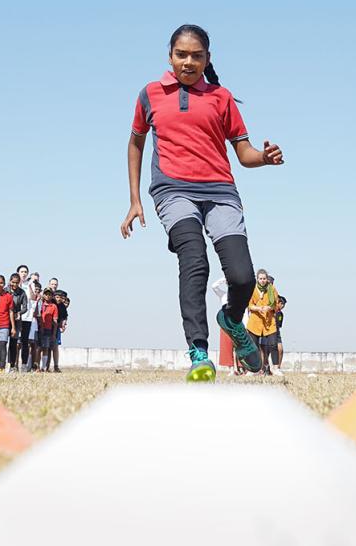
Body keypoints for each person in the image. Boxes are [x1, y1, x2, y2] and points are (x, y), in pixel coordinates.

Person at [120, 24, 285, 382]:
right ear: (170, 57)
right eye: (182, 54)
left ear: (208, 59)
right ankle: (198, 350)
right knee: (194, 261)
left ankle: (230, 318)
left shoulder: (220, 97)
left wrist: (264, 158)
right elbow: (136, 143)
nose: (189, 62)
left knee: (242, 276)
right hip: (173, 190)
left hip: (221, 191)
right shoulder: (150, 94)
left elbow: (243, 152)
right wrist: (135, 200)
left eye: (197, 55)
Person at [245, 269, 279, 376]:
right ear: (257, 279)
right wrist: (258, 308)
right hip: (255, 321)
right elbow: (249, 304)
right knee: (253, 347)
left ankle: (276, 368)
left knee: (273, 344)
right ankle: (252, 370)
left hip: (269, 322)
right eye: (260, 279)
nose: (263, 281)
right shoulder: (252, 289)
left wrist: (270, 307)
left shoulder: (271, 289)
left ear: (267, 279)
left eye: (264, 278)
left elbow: (276, 304)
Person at [12, 265, 34, 370]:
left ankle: (24, 364)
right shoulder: (13, 285)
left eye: (26, 272)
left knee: (25, 341)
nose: (24, 274)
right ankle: (12, 364)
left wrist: (29, 285)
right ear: (18, 273)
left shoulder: (30, 284)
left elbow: (33, 297)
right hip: (15, 318)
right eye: (22, 272)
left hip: (27, 317)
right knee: (14, 341)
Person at [7, 270, 27, 373]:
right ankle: (3, 365)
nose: (14, 284)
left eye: (16, 282)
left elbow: (25, 307)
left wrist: (19, 313)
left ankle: (12, 365)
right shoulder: (5, 291)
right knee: (3, 342)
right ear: (10, 281)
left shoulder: (22, 292)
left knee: (13, 343)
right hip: (5, 319)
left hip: (16, 320)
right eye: (13, 282)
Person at [37, 288, 59, 371]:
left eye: (50, 294)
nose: (48, 296)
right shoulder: (40, 304)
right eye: (46, 294)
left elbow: (55, 321)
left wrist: (54, 334)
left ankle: (44, 367)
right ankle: (36, 366)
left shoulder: (54, 306)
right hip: (38, 328)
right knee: (38, 348)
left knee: (46, 348)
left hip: (47, 329)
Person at [25, 272, 43, 370]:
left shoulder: (40, 298)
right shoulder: (26, 296)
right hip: (27, 321)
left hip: (35, 324)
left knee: (34, 345)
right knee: (26, 344)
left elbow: (38, 313)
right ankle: (25, 365)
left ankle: (33, 366)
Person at [273, 294, 287, 370]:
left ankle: (278, 367)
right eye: (281, 303)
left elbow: (279, 325)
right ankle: (264, 368)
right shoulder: (271, 310)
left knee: (280, 350)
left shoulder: (280, 314)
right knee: (265, 351)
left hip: (276, 332)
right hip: (268, 332)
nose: (282, 306)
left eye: (283, 304)